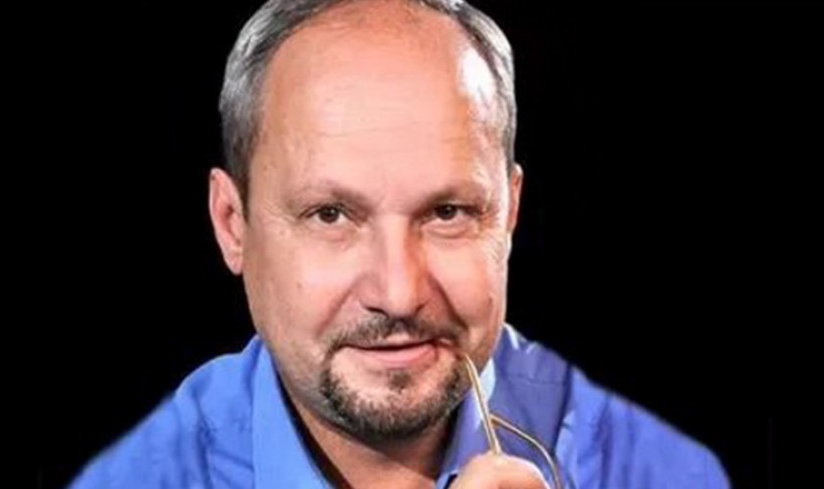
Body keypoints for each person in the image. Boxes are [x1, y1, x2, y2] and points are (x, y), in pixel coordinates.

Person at [68, 0, 730, 487]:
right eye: (331, 215)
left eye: (447, 212)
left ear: (509, 213)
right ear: (231, 224)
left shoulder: (659, 472)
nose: (399, 292)